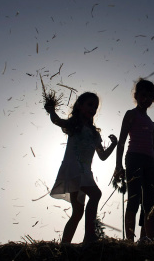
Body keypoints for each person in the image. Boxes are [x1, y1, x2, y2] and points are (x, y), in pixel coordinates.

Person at [45, 92, 118, 244]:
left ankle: (64, 246)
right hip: (73, 168)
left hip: (86, 172)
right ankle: (90, 236)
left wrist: (113, 145)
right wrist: (51, 110)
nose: (93, 109)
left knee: (77, 213)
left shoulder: (94, 133)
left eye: (95, 107)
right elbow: (57, 121)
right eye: (90, 104)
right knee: (96, 194)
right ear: (79, 105)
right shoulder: (74, 125)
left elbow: (102, 156)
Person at [114, 78, 154, 241]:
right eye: (143, 95)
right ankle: (129, 240)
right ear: (136, 95)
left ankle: (150, 239)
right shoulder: (131, 114)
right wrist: (118, 165)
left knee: (150, 202)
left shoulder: (152, 124)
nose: (146, 99)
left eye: (150, 96)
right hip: (134, 157)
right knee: (134, 198)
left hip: (150, 162)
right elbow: (121, 142)